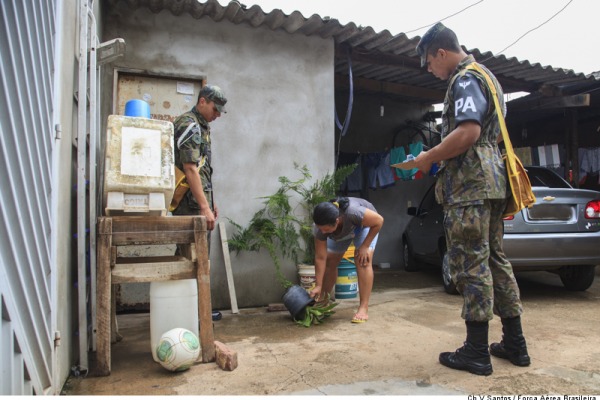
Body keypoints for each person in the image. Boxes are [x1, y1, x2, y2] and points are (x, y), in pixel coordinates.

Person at [413, 22, 530, 375]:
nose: (431, 71)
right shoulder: (488, 76)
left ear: (441, 53)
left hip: (470, 186)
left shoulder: (463, 79)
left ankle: (476, 351)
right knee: (495, 260)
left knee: (470, 263)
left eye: (430, 63)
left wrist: (428, 157)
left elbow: (468, 131)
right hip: (492, 180)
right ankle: (515, 343)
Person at [309, 197, 384, 323]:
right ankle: (323, 301)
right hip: (341, 233)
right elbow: (320, 258)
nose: (322, 232)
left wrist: (365, 246)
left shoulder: (354, 212)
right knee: (330, 261)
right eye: (320, 229)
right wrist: (318, 285)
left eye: (326, 229)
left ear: (337, 221)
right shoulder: (320, 229)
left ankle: (363, 308)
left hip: (365, 226)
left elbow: (379, 221)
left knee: (362, 260)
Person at [172, 84, 227, 238]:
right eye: (215, 109)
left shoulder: (202, 127)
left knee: (200, 255)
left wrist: (210, 201)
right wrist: (204, 206)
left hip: (197, 202)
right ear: (202, 101)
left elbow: (203, 170)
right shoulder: (189, 124)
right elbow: (190, 168)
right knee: (193, 254)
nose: (218, 114)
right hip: (190, 204)